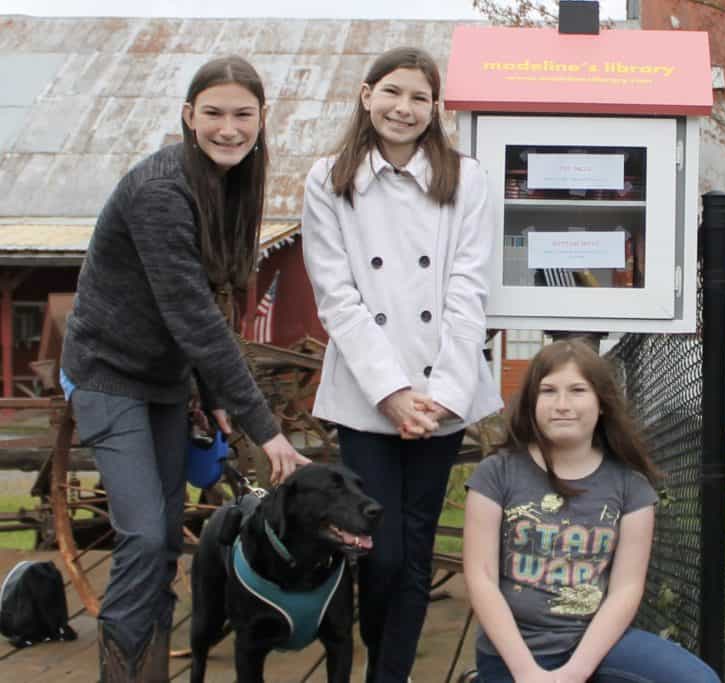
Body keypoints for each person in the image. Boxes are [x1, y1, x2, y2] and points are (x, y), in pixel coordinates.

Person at [60, 55, 310, 681]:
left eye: (243, 115)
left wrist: (209, 393)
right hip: (106, 374)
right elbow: (192, 314)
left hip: (166, 383)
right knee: (142, 537)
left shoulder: (231, 186)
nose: (229, 128)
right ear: (188, 116)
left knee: (166, 539)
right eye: (215, 113)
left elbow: (209, 305)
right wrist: (265, 426)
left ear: (260, 121)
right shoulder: (161, 191)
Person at [301, 46, 503, 683]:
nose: (404, 108)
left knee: (415, 550)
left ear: (435, 108)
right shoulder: (328, 178)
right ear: (367, 96)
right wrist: (391, 392)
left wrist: (443, 393)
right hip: (366, 394)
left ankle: (387, 676)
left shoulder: (467, 179)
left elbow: (469, 291)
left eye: (419, 97)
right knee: (380, 552)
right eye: (392, 92)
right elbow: (337, 297)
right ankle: (379, 650)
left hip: (443, 389)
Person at [463, 340, 719, 683]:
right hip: (512, 652)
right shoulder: (497, 473)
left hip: (595, 646)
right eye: (548, 391)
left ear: (601, 403)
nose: (562, 405)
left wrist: (575, 673)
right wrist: (526, 672)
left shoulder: (631, 487)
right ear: (531, 403)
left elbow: (626, 590)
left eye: (577, 390)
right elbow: (481, 578)